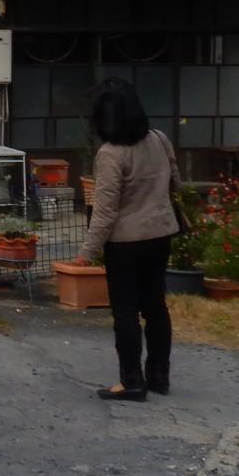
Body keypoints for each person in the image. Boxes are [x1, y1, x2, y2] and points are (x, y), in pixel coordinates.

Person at [78, 77, 184, 402]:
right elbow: (176, 183)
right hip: (160, 233)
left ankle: (131, 381)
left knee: (125, 311)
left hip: (125, 242)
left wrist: (86, 252)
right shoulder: (159, 139)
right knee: (155, 306)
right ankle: (159, 376)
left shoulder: (110, 154)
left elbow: (105, 211)